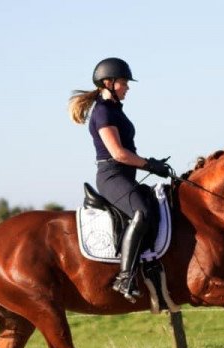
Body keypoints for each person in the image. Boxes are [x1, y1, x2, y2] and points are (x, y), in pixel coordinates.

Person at [69, 57, 170, 302]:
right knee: (142, 212)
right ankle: (124, 277)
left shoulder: (114, 110)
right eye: (124, 82)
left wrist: (150, 164)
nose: (127, 87)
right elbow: (118, 153)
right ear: (109, 82)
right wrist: (149, 164)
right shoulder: (103, 112)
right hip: (112, 176)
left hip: (124, 175)